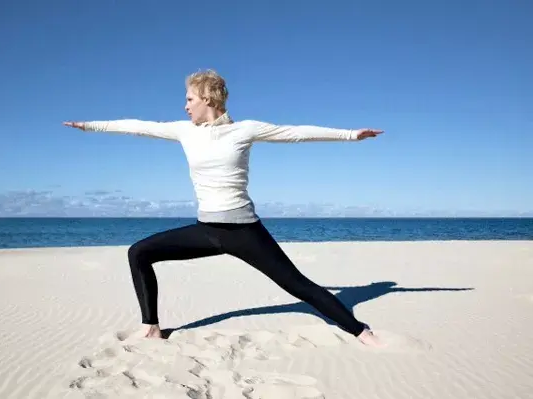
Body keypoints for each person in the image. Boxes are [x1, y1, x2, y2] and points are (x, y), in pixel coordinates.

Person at [63, 69, 384, 347]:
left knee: (298, 285)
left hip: (245, 232)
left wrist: (351, 135)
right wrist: (90, 126)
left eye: (189, 99)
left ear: (207, 99)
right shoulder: (184, 131)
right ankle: (151, 329)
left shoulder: (244, 130)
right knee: (139, 252)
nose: (184, 105)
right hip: (207, 231)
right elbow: (136, 126)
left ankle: (360, 332)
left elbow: (296, 133)